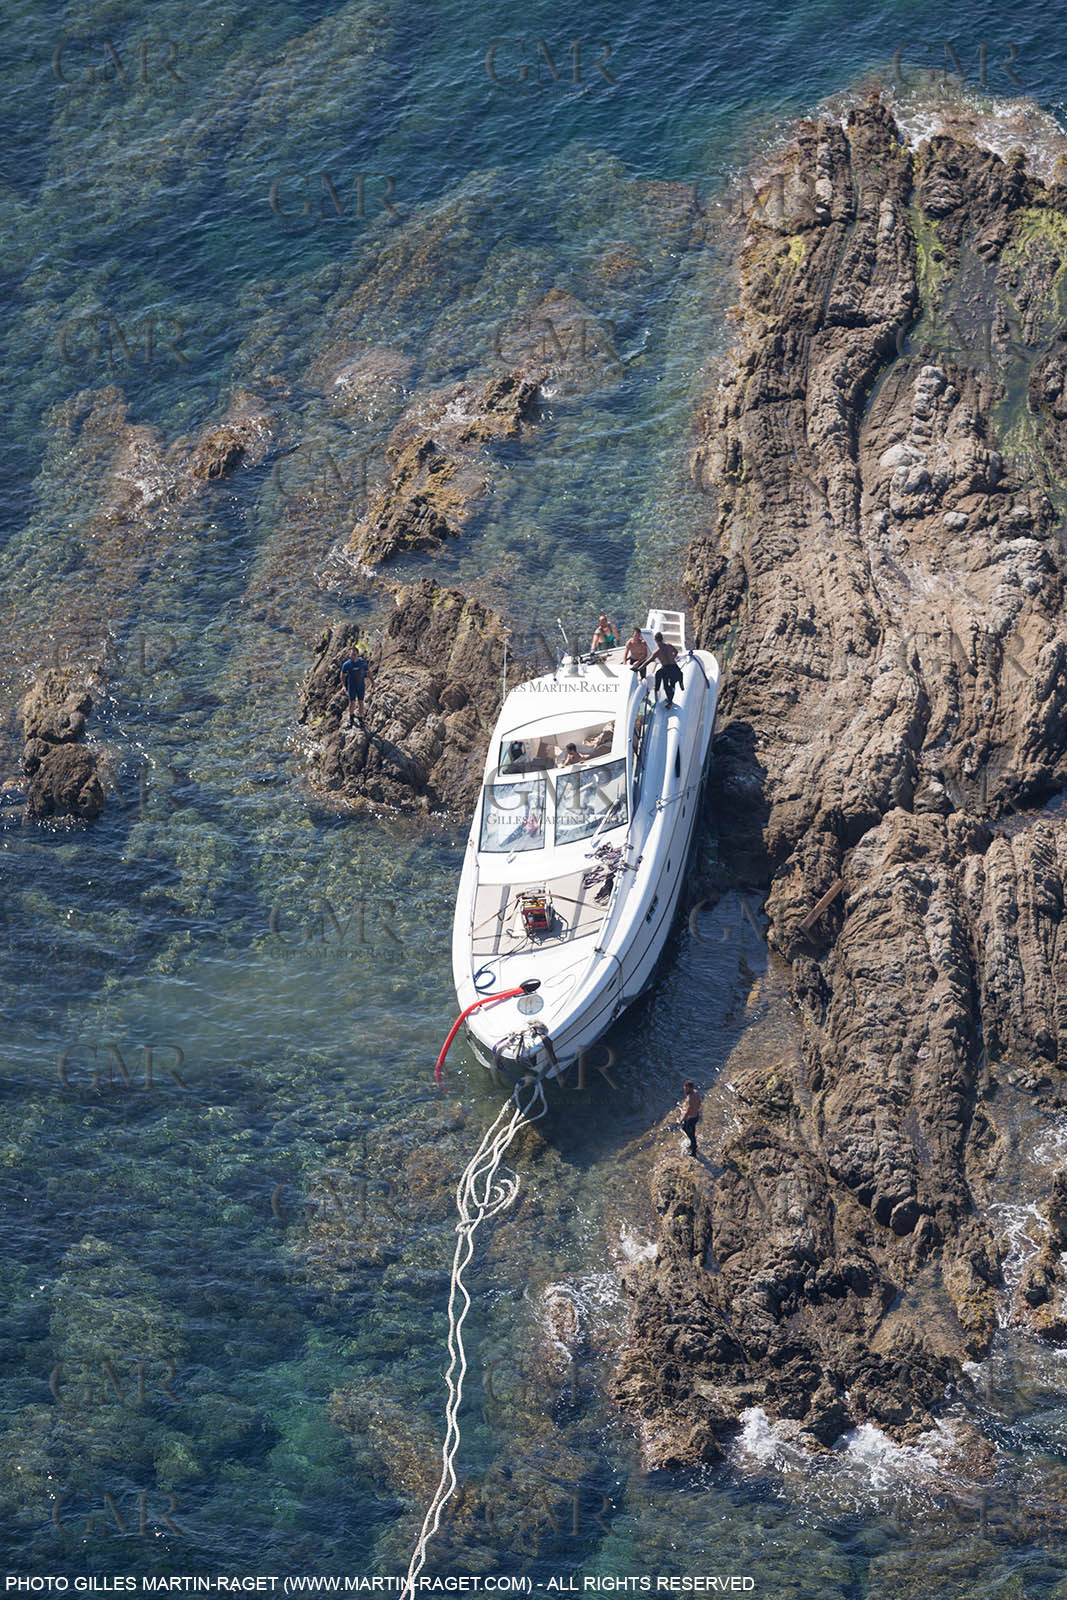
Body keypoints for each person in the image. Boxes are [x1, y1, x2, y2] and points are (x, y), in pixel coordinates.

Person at [648, 633, 683, 707]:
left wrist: (638, 668)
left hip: (666, 668)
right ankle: (670, 700)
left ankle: (657, 690)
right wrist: (672, 658)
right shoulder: (669, 645)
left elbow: (648, 661)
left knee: (665, 683)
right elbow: (676, 652)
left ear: (655, 640)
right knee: (672, 684)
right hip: (674, 667)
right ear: (662, 639)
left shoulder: (657, 651)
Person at [340, 647, 372, 727]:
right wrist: (343, 685)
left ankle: (361, 718)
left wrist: (373, 682)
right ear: (349, 655)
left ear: (358, 654)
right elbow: (342, 675)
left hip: (361, 685)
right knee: (352, 702)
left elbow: (368, 671)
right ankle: (351, 718)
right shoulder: (347, 664)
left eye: (354, 654)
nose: (353, 656)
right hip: (352, 686)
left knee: (361, 702)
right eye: (351, 654)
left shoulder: (362, 662)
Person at [680, 1080, 702, 1157]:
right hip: (696, 1116)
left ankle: (694, 1151)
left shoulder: (690, 1098)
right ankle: (693, 1144)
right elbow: (699, 1102)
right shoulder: (696, 1092)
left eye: (686, 1088)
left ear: (690, 1088)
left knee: (691, 1134)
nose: (685, 1090)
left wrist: (681, 1120)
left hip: (691, 1118)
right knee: (687, 1129)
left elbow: (688, 1111)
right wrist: (696, 1109)